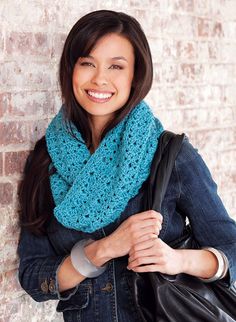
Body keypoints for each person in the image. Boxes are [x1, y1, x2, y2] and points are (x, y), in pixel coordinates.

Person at [18, 9, 236, 322]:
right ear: (71, 70)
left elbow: (231, 247)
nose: (100, 78)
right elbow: (33, 276)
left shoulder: (171, 155)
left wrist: (177, 260)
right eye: (87, 63)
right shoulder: (45, 159)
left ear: (135, 76)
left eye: (116, 66)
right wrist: (101, 250)